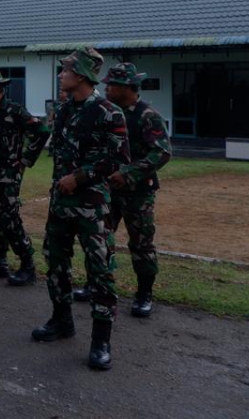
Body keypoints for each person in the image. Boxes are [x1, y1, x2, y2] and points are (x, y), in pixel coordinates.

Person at [31, 47, 129, 372]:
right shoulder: (63, 110)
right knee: (55, 261)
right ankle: (62, 320)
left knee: (99, 270)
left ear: (83, 75)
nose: (61, 75)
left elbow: (117, 160)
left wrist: (80, 177)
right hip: (61, 203)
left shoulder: (109, 112)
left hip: (92, 206)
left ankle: (101, 340)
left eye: (66, 70)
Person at [83, 62, 172, 318]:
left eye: (112, 85)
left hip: (138, 193)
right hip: (108, 190)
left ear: (127, 87)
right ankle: (95, 284)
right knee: (99, 239)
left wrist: (129, 173)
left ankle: (144, 294)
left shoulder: (147, 115)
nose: (107, 88)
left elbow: (162, 152)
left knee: (141, 244)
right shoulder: (106, 112)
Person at [0, 68, 50, 286]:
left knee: (9, 219)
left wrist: (25, 160)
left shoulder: (15, 111)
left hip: (7, 175)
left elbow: (42, 131)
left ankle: (27, 265)